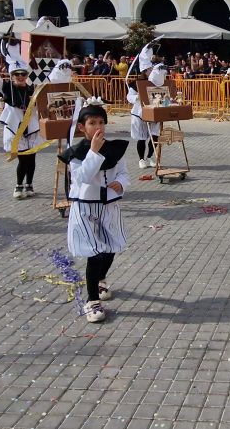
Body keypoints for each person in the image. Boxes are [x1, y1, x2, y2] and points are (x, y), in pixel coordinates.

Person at [60, 99, 130, 324]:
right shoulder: (77, 152)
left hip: (109, 206)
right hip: (86, 207)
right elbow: (82, 177)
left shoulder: (114, 149)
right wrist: (93, 152)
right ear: (82, 127)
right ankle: (92, 301)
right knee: (95, 252)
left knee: (111, 248)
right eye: (92, 122)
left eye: (101, 122)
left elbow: (123, 172)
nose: (97, 126)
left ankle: (101, 279)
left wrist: (121, 183)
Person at [0, 42, 44, 199]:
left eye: (23, 74)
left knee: (31, 158)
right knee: (23, 158)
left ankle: (29, 184)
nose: (20, 77)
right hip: (15, 129)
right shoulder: (6, 88)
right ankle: (19, 185)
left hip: (31, 128)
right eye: (17, 74)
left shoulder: (32, 89)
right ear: (12, 75)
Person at [128, 65, 163, 169]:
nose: (152, 71)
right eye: (150, 69)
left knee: (155, 135)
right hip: (140, 113)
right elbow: (129, 97)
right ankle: (141, 159)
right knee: (141, 137)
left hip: (155, 112)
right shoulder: (136, 83)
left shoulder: (159, 83)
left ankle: (150, 156)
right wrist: (138, 96)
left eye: (153, 69)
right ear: (145, 71)